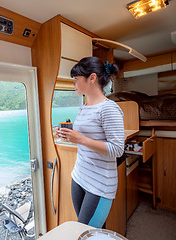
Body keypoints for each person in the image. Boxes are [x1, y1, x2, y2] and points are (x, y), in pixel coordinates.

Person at [56, 56, 124, 228]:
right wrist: (69, 136)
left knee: (86, 232)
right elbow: (83, 141)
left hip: (100, 183)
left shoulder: (109, 108)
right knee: (88, 231)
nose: (73, 84)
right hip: (79, 176)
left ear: (92, 78)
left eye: (76, 79)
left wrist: (81, 139)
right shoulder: (83, 108)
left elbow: (117, 149)